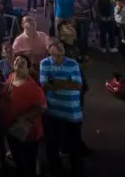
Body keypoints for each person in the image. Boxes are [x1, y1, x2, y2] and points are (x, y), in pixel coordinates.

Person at [39, 40, 85, 177]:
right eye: (56, 45)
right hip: (53, 112)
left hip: (72, 113)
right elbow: (45, 86)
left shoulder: (72, 63)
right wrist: (67, 82)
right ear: (49, 50)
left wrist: (55, 82)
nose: (60, 47)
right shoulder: (45, 63)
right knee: (52, 144)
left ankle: (76, 169)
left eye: (61, 46)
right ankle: (55, 168)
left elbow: (77, 86)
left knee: (74, 144)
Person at [0, 55, 46, 177]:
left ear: (28, 68)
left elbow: (42, 107)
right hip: (12, 129)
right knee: (18, 159)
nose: (19, 62)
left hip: (27, 132)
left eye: (23, 62)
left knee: (27, 163)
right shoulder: (11, 77)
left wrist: (23, 117)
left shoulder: (32, 87)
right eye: (17, 60)